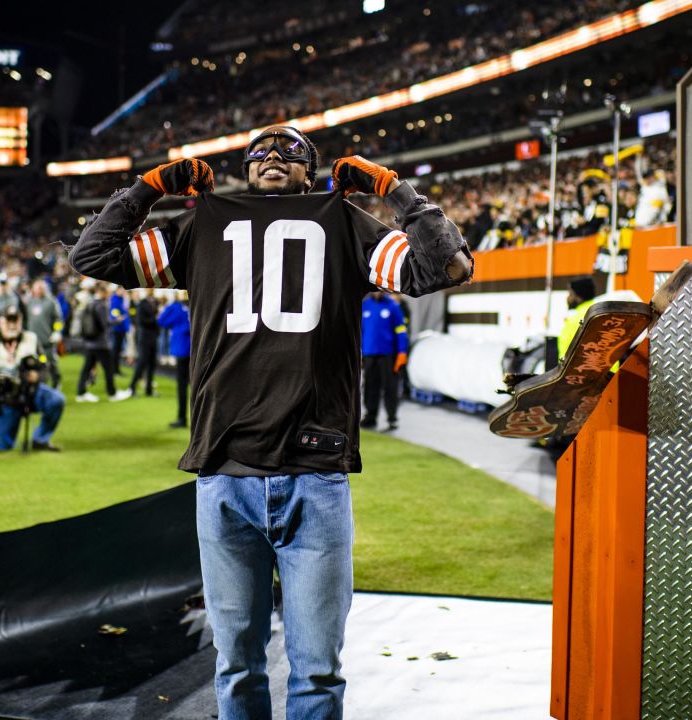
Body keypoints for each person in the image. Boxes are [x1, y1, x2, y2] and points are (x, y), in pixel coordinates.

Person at [71, 125, 472, 719]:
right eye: (260, 150)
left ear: (311, 172)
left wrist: (393, 188)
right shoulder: (205, 224)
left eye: (291, 151)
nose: (274, 156)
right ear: (242, 168)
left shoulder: (341, 221)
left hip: (308, 472)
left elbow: (448, 267)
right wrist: (150, 185)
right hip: (228, 474)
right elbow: (92, 256)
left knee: (314, 671)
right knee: (236, 665)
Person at [0, 307, 66, 451]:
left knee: (56, 400)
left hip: (30, 391)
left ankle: (40, 440)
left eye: (15, 320)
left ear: (21, 321)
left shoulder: (32, 339)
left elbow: (44, 366)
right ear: (1, 322)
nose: (12, 325)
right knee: (2, 447)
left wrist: (37, 376)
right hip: (5, 397)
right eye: (8, 321)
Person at [359, 291, 409, 431]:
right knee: (369, 388)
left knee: (390, 389)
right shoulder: (365, 305)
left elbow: (401, 331)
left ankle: (392, 418)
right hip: (369, 355)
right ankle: (370, 417)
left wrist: (402, 352)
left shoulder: (393, 306)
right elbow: (359, 331)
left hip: (389, 356)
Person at [74, 283, 131, 402]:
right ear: (103, 292)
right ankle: (112, 393)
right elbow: (105, 324)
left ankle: (81, 393)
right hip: (100, 344)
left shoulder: (90, 303)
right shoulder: (101, 305)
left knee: (86, 368)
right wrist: (117, 320)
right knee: (109, 369)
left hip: (90, 342)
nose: (109, 295)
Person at [156, 293, 191, 427]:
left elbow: (162, 321)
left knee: (182, 385)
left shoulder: (176, 307)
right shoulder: (196, 304)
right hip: (196, 349)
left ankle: (182, 418)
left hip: (182, 348)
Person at [25, 277, 64, 389]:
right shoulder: (29, 302)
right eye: (38, 287)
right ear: (33, 289)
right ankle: (39, 385)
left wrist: (57, 331)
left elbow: (58, 319)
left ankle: (56, 382)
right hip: (33, 341)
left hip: (47, 340)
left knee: (51, 364)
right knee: (35, 365)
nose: (40, 290)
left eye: (42, 287)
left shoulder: (51, 302)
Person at [558, 276, 599, 360]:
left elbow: (566, 355)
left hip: (581, 372)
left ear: (578, 297)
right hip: (611, 372)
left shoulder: (576, 320)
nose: (568, 297)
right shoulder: (601, 313)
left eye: (570, 293)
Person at [128, 289, 160, 397]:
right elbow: (140, 321)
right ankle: (132, 388)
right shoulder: (142, 304)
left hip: (153, 337)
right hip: (144, 337)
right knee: (141, 363)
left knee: (152, 364)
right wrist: (155, 319)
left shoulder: (154, 302)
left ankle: (149, 390)